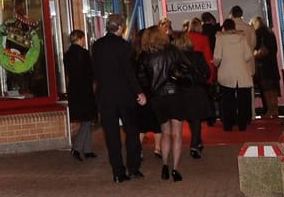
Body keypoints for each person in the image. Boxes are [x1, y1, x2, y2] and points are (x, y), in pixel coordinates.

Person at [92, 14, 147, 183]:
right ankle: (133, 167)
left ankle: (117, 172)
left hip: (105, 95)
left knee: (112, 135)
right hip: (124, 95)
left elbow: (95, 71)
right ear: (121, 27)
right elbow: (129, 73)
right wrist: (139, 92)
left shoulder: (97, 46)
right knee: (131, 131)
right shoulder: (125, 46)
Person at [136, 27, 190, 182]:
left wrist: (149, 92)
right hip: (175, 95)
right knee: (177, 134)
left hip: (157, 98)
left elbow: (141, 78)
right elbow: (186, 67)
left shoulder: (144, 56)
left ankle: (165, 165)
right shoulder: (172, 50)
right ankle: (175, 169)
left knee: (165, 132)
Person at [174, 32, 211, 160]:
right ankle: (195, 144)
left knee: (191, 119)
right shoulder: (198, 55)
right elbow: (207, 72)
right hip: (197, 90)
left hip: (183, 91)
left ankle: (196, 143)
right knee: (196, 119)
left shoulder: (176, 58)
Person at [213, 19, 255, 132]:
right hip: (242, 73)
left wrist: (216, 65)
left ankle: (228, 125)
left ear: (224, 28)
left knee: (227, 101)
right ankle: (242, 124)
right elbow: (248, 56)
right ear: (234, 27)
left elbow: (217, 57)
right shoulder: (242, 38)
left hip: (226, 73)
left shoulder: (220, 38)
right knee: (243, 101)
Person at [62, 29, 97, 161]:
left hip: (74, 90)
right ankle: (77, 148)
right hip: (85, 90)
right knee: (87, 120)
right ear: (81, 39)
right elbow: (91, 72)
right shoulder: (84, 54)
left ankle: (88, 150)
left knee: (86, 120)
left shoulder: (67, 54)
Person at [251, 17, 281, 118]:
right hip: (272, 64)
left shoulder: (258, 32)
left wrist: (254, 55)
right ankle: (275, 109)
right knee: (273, 89)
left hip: (263, 65)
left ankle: (269, 110)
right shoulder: (270, 32)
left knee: (266, 89)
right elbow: (274, 49)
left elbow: (256, 47)